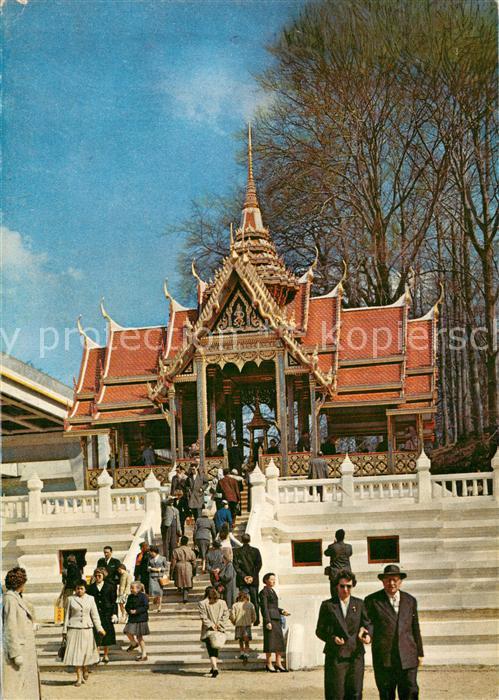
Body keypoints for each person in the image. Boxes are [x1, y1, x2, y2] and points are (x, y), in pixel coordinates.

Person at [364, 565, 424, 700]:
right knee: (386, 694)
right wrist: (368, 634)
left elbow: (415, 627)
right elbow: (369, 623)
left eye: (395, 579)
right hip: (384, 657)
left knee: (410, 692)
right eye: (388, 580)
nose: (391, 583)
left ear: (400, 581)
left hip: (408, 656)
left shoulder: (410, 600)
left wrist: (420, 653)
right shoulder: (372, 600)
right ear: (382, 581)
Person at [316, 569, 372, 700]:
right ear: (337, 586)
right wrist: (332, 638)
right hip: (336, 656)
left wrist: (367, 634)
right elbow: (320, 630)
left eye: (349, 586)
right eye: (342, 586)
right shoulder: (328, 605)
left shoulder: (359, 604)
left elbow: (368, 624)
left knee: (355, 693)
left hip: (355, 655)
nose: (345, 589)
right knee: (336, 694)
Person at [2, 567, 41, 700]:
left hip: (25, 648)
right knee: (16, 689)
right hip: (19, 650)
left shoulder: (17, 597)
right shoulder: (10, 599)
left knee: (24, 687)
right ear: (21, 583)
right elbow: (10, 627)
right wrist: (15, 653)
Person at [63, 578, 105, 686]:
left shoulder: (91, 599)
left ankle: (86, 668)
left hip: (87, 629)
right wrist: (64, 630)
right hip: (74, 629)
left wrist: (99, 628)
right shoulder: (70, 599)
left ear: (85, 589)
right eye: (77, 589)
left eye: (81, 588)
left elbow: (95, 615)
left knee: (86, 653)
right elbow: (66, 615)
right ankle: (78, 678)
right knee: (76, 654)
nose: (79, 591)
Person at [259, 572, 290, 672]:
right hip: (270, 619)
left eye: (274, 579)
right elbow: (264, 607)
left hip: (276, 618)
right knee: (270, 642)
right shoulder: (263, 592)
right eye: (271, 579)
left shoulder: (272, 591)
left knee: (279, 642)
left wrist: (281, 611)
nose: (273, 581)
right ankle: (269, 664)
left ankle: (278, 663)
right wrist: (267, 621)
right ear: (266, 580)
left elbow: (274, 606)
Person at [86, 568, 118, 663]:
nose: (97, 577)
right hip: (95, 614)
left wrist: (115, 613)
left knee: (106, 635)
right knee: (96, 635)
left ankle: (106, 655)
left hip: (106, 614)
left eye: (99, 575)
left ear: (103, 576)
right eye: (96, 576)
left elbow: (113, 601)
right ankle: (97, 655)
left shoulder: (110, 587)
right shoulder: (90, 588)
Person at [198, 586, 230, 678]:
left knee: (210, 649)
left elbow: (203, 616)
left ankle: (214, 667)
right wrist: (219, 624)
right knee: (215, 648)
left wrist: (212, 625)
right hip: (219, 628)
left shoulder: (202, 603)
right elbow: (226, 614)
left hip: (209, 629)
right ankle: (213, 667)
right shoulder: (222, 602)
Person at [233, 533, 263, 625]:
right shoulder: (255, 551)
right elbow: (259, 565)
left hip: (243, 580)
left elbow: (236, 566)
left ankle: (243, 620)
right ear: (249, 540)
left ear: (241, 541)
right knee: (255, 600)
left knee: (242, 600)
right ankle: (256, 620)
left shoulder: (236, 551)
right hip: (253, 580)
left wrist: (244, 576)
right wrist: (252, 576)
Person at [124, 581, 149, 662]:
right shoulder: (130, 596)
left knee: (139, 637)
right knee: (127, 631)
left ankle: (144, 655)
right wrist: (129, 611)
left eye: (132, 588)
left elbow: (146, 607)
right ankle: (134, 644)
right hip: (132, 618)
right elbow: (127, 606)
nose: (131, 589)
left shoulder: (143, 596)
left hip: (141, 618)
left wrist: (137, 611)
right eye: (130, 587)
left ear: (138, 589)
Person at [230, 589, 257, 661]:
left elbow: (232, 615)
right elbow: (254, 615)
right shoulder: (250, 604)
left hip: (239, 625)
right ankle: (246, 653)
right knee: (247, 640)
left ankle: (242, 652)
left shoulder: (235, 605)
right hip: (247, 625)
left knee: (240, 640)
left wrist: (233, 622)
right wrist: (252, 621)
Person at [325, 529, 353, 596]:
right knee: (346, 594)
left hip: (335, 574)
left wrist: (334, 544)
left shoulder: (332, 547)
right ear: (344, 536)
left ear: (336, 536)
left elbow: (326, 553)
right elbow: (350, 554)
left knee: (334, 595)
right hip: (347, 574)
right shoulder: (349, 547)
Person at [170, 535, 197, 603]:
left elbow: (173, 563)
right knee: (187, 581)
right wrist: (194, 571)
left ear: (180, 542)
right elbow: (194, 562)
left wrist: (171, 572)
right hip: (188, 566)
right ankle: (185, 596)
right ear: (187, 542)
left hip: (179, 565)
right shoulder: (191, 551)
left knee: (179, 578)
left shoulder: (176, 550)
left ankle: (179, 589)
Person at [194, 508, 217, 574]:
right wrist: (214, 539)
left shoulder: (198, 520)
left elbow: (195, 530)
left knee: (202, 551)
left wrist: (194, 540)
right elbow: (213, 532)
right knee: (205, 552)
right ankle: (204, 567)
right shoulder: (211, 521)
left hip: (198, 538)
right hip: (206, 538)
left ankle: (203, 566)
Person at [147, 545, 168, 613]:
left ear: (154, 552)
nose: (150, 553)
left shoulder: (162, 558)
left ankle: (159, 606)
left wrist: (160, 569)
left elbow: (166, 567)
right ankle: (155, 599)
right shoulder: (150, 559)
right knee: (153, 590)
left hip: (160, 577)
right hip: (152, 576)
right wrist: (150, 569)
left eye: (151, 552)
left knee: (160, 592)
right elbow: (148, 567)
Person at [161, 496, 181, 561]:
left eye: (173, 500)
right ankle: (166, 558)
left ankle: (172, 558)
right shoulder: (165, 507)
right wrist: (169, 498)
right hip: (167, 526)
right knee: (166, 542)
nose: (172, 501)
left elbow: (178, 521)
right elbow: (163, 502)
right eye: (171, 500)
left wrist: (179, 530)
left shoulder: (176, 510)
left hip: (174, 526)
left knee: (173, 543)